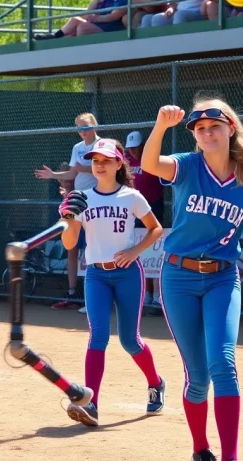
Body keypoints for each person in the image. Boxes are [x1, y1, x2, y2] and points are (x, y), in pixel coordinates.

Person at [142, 98, 243, 461]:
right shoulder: (188, 166)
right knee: (198, 376)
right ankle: (201, 449)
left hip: (222, 278)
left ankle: (231, 456)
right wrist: (160, 126)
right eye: (200, 129)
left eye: (214, 127)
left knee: (224, 363)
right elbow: (149, 164)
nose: (207, 133)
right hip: (179, 278)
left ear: (230, 129)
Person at [60, 138, 165, 427]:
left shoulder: (131, 196)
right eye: (95, 160)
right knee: (98, 336)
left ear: (120, 163)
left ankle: (155, 383)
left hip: (128, 273)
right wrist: (68, 217)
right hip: (96, 274)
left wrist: (134, 251)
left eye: (106, 160)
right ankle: (91, 403)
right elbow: (70, 242)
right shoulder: (82, 197)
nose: (100, 164)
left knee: (131, 340)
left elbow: (155, 229)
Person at [35, 112, 100, 312]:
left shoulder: (102, 145)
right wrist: (53, 175)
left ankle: (94, 299)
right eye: (79, 127)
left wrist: (86, 169)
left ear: (94, 126)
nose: (82, 131)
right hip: (77, 203)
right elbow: (72, 172)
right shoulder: (77, 148)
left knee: (92, 249)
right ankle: (72, 294)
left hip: (96, 202)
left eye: (86, 126)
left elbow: (108, 169)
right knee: (71, 245)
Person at [124, 131, 164, 310]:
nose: (133, 151)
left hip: (154, 207)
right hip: (134, 210)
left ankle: (156, 295)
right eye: (130, 148)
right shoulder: (125, 161)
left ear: (142, 146)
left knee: (154, 251)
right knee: (139, 251)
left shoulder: (151, 158)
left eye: (136, 147)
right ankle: (145, 294)